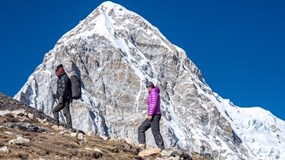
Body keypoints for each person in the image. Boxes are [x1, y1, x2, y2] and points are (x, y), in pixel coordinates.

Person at [138, 82, 165, 151]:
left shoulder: (154, 92)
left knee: (155, 131)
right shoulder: (152, 93)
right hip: (153, 115)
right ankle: (142, 145)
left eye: (147, 87)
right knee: (141, 128)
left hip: (155, 115)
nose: (147, 88)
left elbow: (153, 104)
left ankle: (161, 148)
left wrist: (150, 114)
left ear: (150, 87)